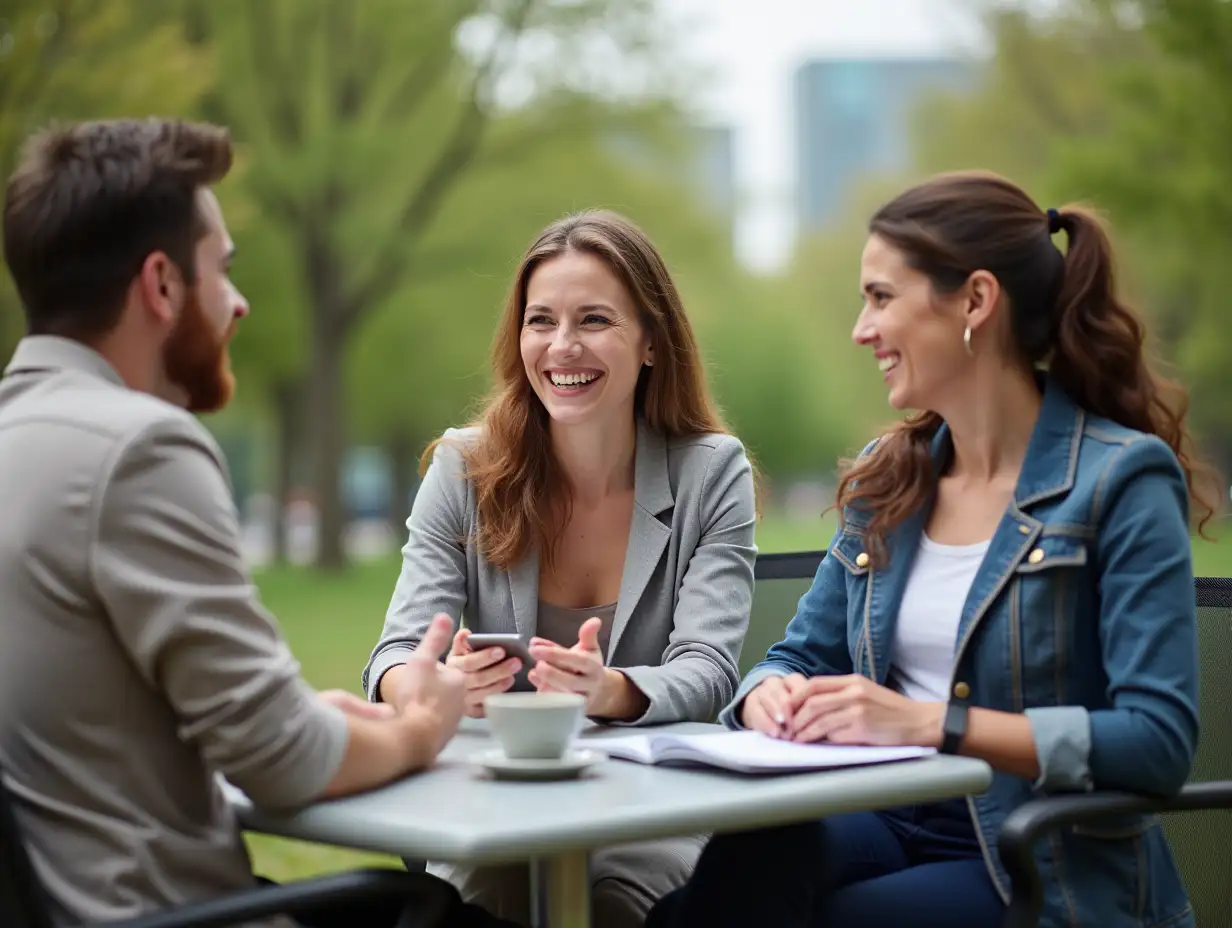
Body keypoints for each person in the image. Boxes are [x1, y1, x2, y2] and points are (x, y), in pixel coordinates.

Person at [646, 170, 1214, 928]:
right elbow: (797, 657)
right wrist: (765, 698)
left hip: (1041, 856)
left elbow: (1157, 741)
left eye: (881, 297)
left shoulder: (1121, 480)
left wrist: (928, 724)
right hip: (889, 813)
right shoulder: (895, 479)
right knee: (731, 873)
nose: (861, 328)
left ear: (976, 300)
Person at [0, 118, 511, 928]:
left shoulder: (20, 436)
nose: (238, 303)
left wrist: (313, 715)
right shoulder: (139, 450)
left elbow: (147, 723)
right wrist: (421, 728)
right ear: (162, 285)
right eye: (222, 270)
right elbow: (287, 764)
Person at [363, 209, 758, 926]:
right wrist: (438, 685)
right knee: (485, 900)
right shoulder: (463, 469)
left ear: (650, 342)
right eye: (540, 320)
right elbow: (394, 656)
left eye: (595, 320)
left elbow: (709, 670)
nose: (562, 346)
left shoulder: (711, 472)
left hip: (653, 807)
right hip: (498, 797)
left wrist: (608, 690)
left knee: (612, 904)